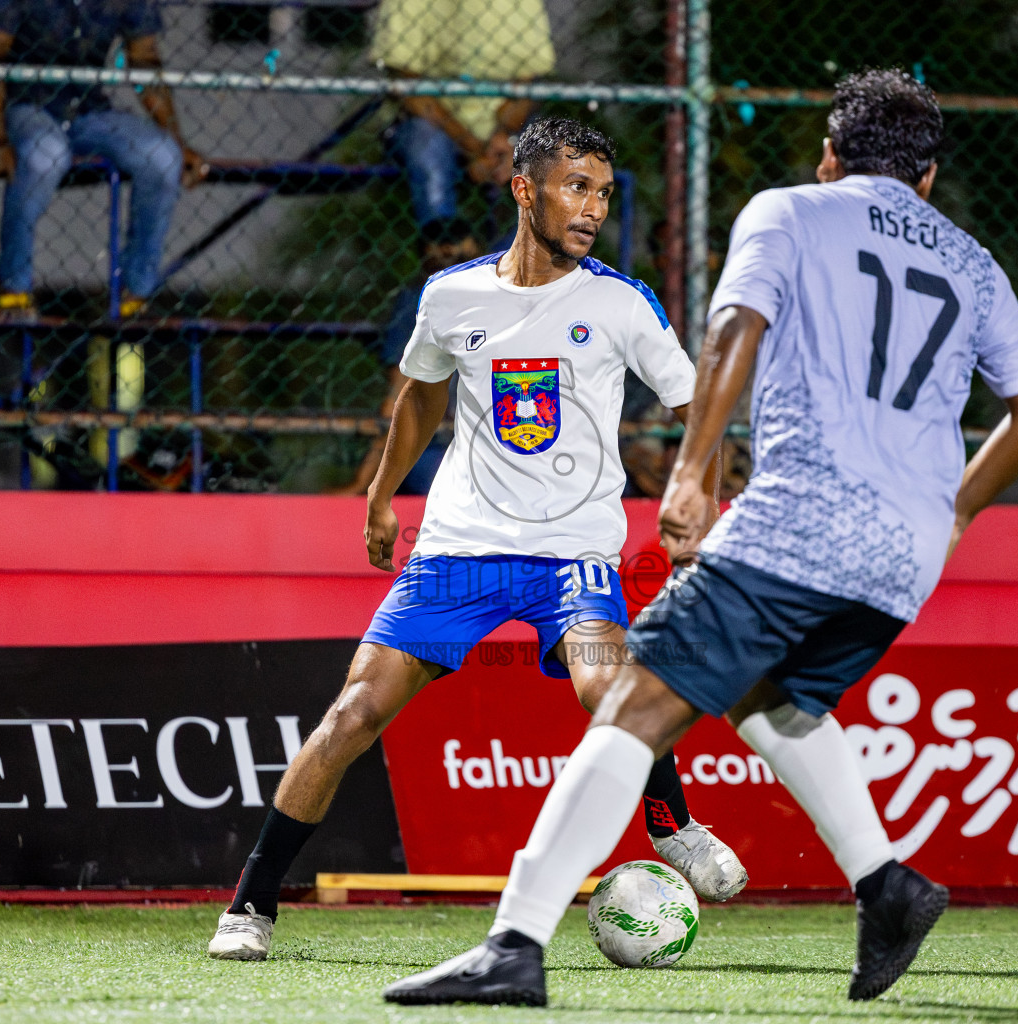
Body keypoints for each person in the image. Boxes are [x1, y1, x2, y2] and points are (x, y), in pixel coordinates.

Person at [384, 69, 1018, 1007]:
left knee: (629, 702)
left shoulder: (792, 211)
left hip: (798, 521)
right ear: (930, 178)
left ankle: (515, 942)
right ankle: (886, 883)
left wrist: (696, 472)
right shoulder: (972, 260)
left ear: (830, 155)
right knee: (771, 698)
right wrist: (953, 513)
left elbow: (736, 326)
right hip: (903, 555)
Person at [206, 117, 749, 962]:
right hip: (456, 551)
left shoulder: (618, 301)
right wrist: (382, 497)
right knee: (352, 713)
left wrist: (700, 502)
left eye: (602, 193)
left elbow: (699, 411)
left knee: (602, 689)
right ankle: (250, 905)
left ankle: (673, 825)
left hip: (573, 554)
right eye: (576, 187)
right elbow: (421, 399)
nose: (593, 208)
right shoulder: (453, 296)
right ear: (525, 189)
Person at [0, 0, 206, 319]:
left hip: (88, 109)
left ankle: (135, 294)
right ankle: (13, 287)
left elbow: (144, 59)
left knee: (162, 157)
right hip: (28, 104)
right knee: (46, 154)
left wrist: (177, 141)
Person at [331, 216, 482, 497]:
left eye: (455, 243)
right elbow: (399, 392)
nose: (448, 251)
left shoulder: (499, 296)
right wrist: (365, 481)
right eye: (440, 246)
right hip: (436, 441)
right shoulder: (417, 301)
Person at [371, 0, 553, 228]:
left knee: (547, 159)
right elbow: (409, 88)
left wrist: (505, 135)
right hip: (432, 123)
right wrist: (475, 148)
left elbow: (528, 81)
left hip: (508, 126)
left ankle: (516, 261)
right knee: (427, 147)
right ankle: (446, 248)